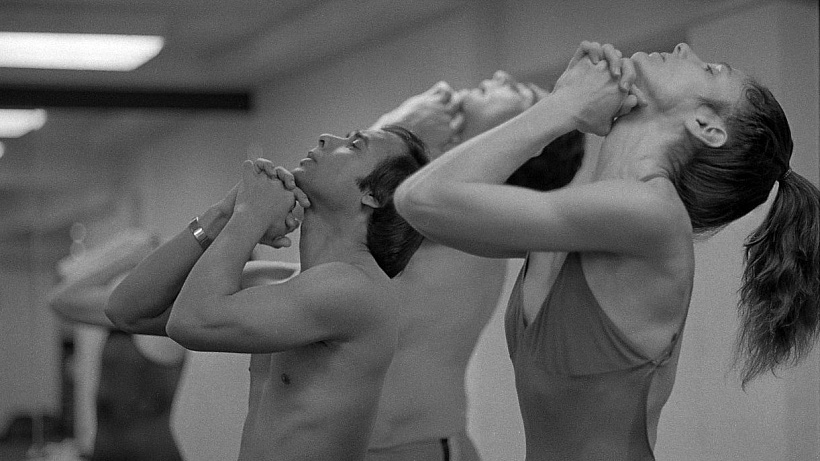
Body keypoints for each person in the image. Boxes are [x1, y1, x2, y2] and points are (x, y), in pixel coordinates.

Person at [395, 41, 820, 460]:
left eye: (709, 69)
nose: (683, 49)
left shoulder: (651, 213)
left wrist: (563, 108)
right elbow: (423, 209)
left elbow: (421, 199)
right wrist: (564, 110)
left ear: (707, 126)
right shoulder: (587, 223)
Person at [106, 125, 429, 461]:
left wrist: (250, 216)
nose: (326, 138)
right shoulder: (280, 283)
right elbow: (126, 310)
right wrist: (221, 214)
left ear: (375, 196)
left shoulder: (354, 289)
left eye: (355, 144)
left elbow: (189, 323)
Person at [364, 75, 585, 460]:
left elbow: (330, 205)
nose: (501, 76)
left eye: (521, 91)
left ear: (528, 144)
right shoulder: (434, 202)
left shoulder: (460, 216)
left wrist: (394, 130)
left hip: (407, 449)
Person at [48, 229, 186, 461]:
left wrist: (130, 258)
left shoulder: (162, 310)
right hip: (106, 451)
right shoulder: (127, 314)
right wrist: (127, 258)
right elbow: (61, 292)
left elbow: (61, 300)